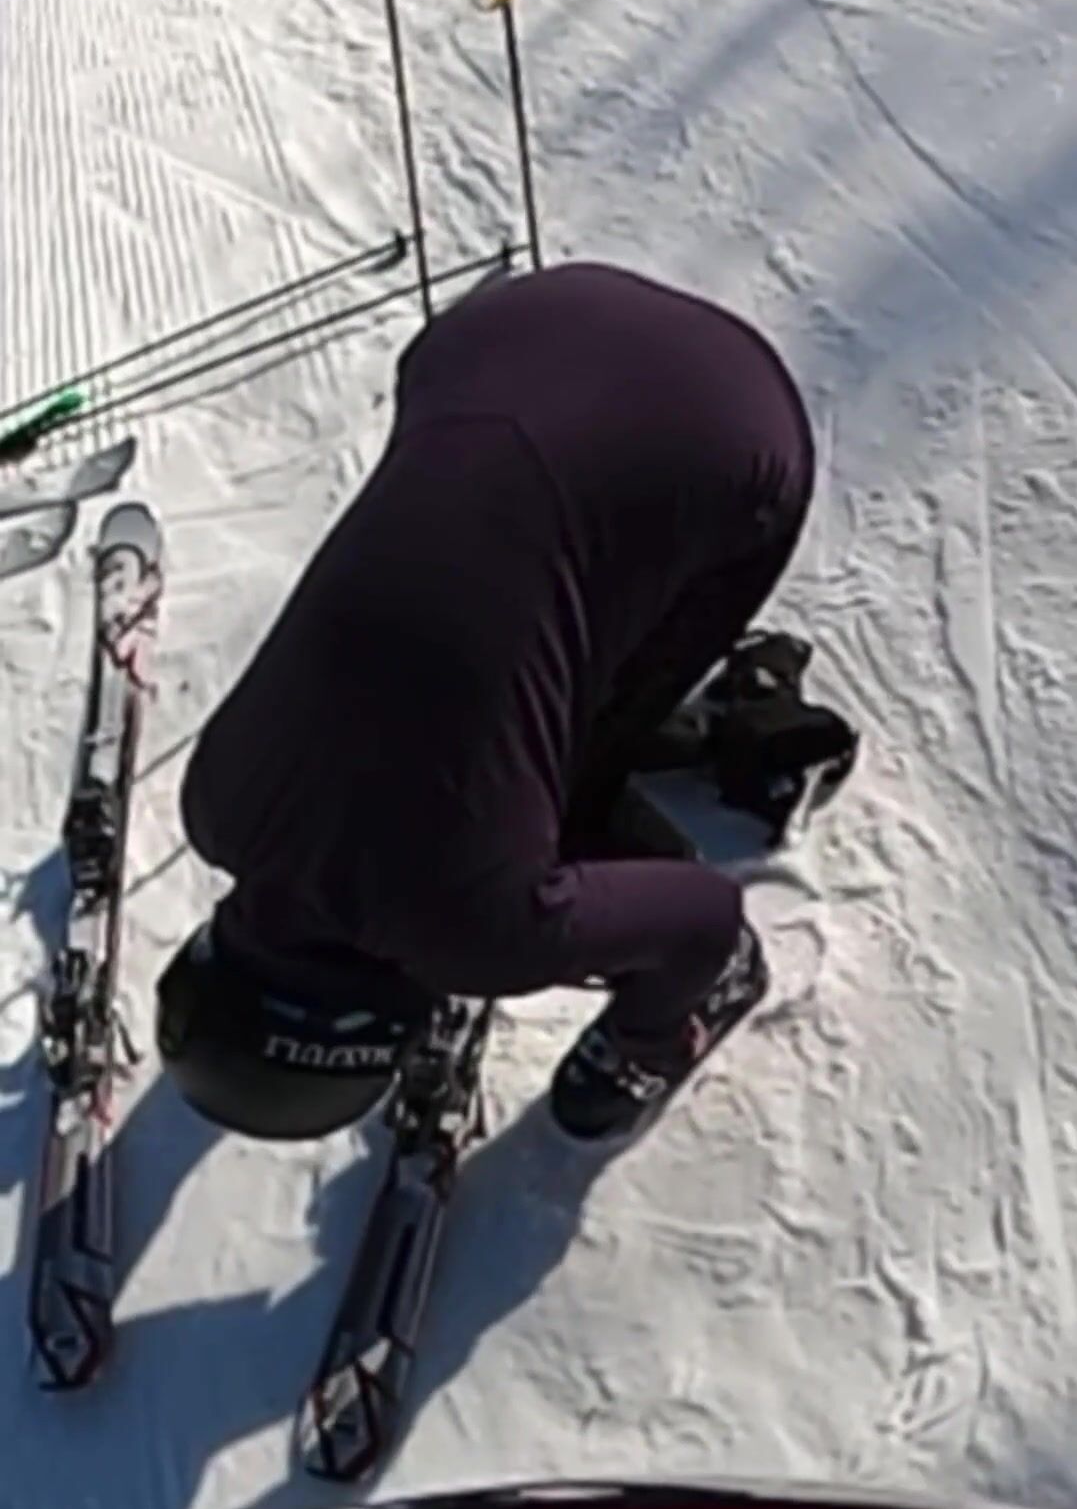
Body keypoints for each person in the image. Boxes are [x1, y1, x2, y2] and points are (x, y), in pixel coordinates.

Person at [155, 261, 820, 1146]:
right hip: (501, 333)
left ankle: (688, 1013)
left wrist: (645, 1030)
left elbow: (708, 915)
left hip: (729, 425)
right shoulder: (215, 805)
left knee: (586, 775)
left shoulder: (480, 934)